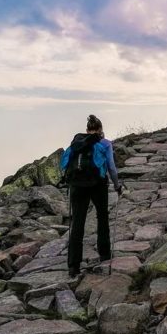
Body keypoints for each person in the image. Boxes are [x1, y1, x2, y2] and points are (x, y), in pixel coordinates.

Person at [60, 114, 125, 278]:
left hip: (76, 186)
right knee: (102, 217)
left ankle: (73, 266)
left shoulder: (77, 142)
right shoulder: (105, 143)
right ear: (100, 130)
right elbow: (111, 167)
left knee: (77, 223)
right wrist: (117, 186)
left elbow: (66, 164)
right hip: (98, 185)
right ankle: (104, 254)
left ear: (87, 129)